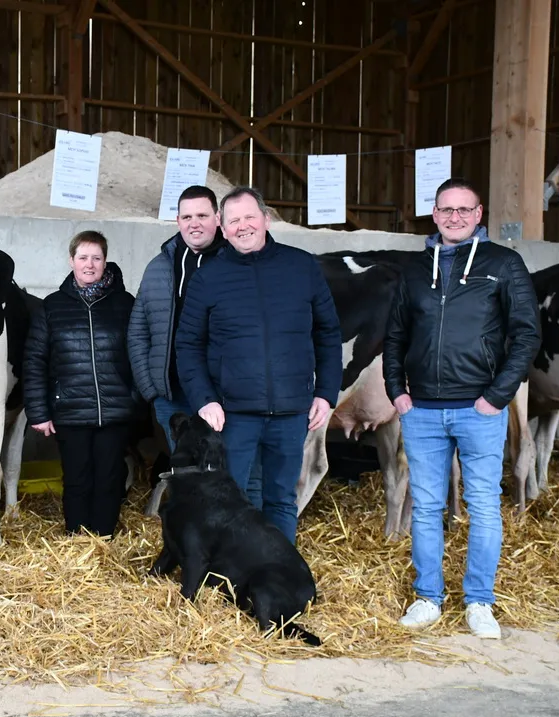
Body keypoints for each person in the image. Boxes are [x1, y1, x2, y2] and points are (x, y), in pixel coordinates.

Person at [384, 177, 541, 640]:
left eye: (463, 210)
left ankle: (479, 602)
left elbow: (527, 334)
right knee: (428, 507)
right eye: (445, 209)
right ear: (434, 215)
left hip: (479, 409)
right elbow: (394, 335)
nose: (454, 217)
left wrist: (497, 396)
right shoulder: (414, 270)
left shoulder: (504, 264)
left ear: (479, 215)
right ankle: (429, 597)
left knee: (484, 508)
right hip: (423, 411)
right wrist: (397, 391)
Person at [174, 186, 342, 545]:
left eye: (250, 217)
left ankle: (279, 578)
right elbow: (188, 345)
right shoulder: (208, 278)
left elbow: (328, 332)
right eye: (233, 220)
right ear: (221, 226)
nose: (243, 226)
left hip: (291, 412)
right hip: (234, 415)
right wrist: (205, 400)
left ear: (266, 218)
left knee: (281, 499)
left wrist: (326, 394)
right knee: (233, 500)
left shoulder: (301, 266)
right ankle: (236, 576)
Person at [23, 231, 137, 538]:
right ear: (71, 260)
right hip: (70, 411)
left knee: (110, 478)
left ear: (105, 261)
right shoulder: (52, 306)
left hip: (114, 411)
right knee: (76, 478)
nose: (90, 264)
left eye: (96, 258)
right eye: (83, 258)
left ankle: (103, 538)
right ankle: (76, 537)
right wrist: (38, 412)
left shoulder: (125, 304)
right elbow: (35, 360)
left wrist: (134, 397)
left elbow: (140, 351)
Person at [128, 184, 226, 451]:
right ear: (178, 221)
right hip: (171, 394)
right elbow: (138, 331)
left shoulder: (234, 264)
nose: (194, 224)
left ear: (217, 218)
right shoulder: (158, 266)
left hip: (221, 396)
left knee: (224, 473)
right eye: (187, 217)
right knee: (185, 472)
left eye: (202, 216)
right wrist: (152, 390)